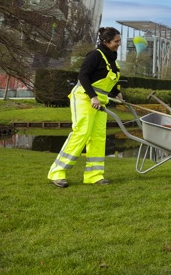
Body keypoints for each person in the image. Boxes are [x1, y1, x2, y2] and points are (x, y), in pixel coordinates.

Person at [47, 27, 123, 187]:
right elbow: (83, 76)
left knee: (98, 137)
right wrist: (92, 96)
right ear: (106, 41)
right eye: (116, 41)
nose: (119, 44)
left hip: (100, 101)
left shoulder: (112, 58)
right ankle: (57, 172)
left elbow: (110, 80)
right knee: (81, 132)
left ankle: (94, 175)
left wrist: (116, 93)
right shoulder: (95, 55)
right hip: (84, 97)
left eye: (119, 41)